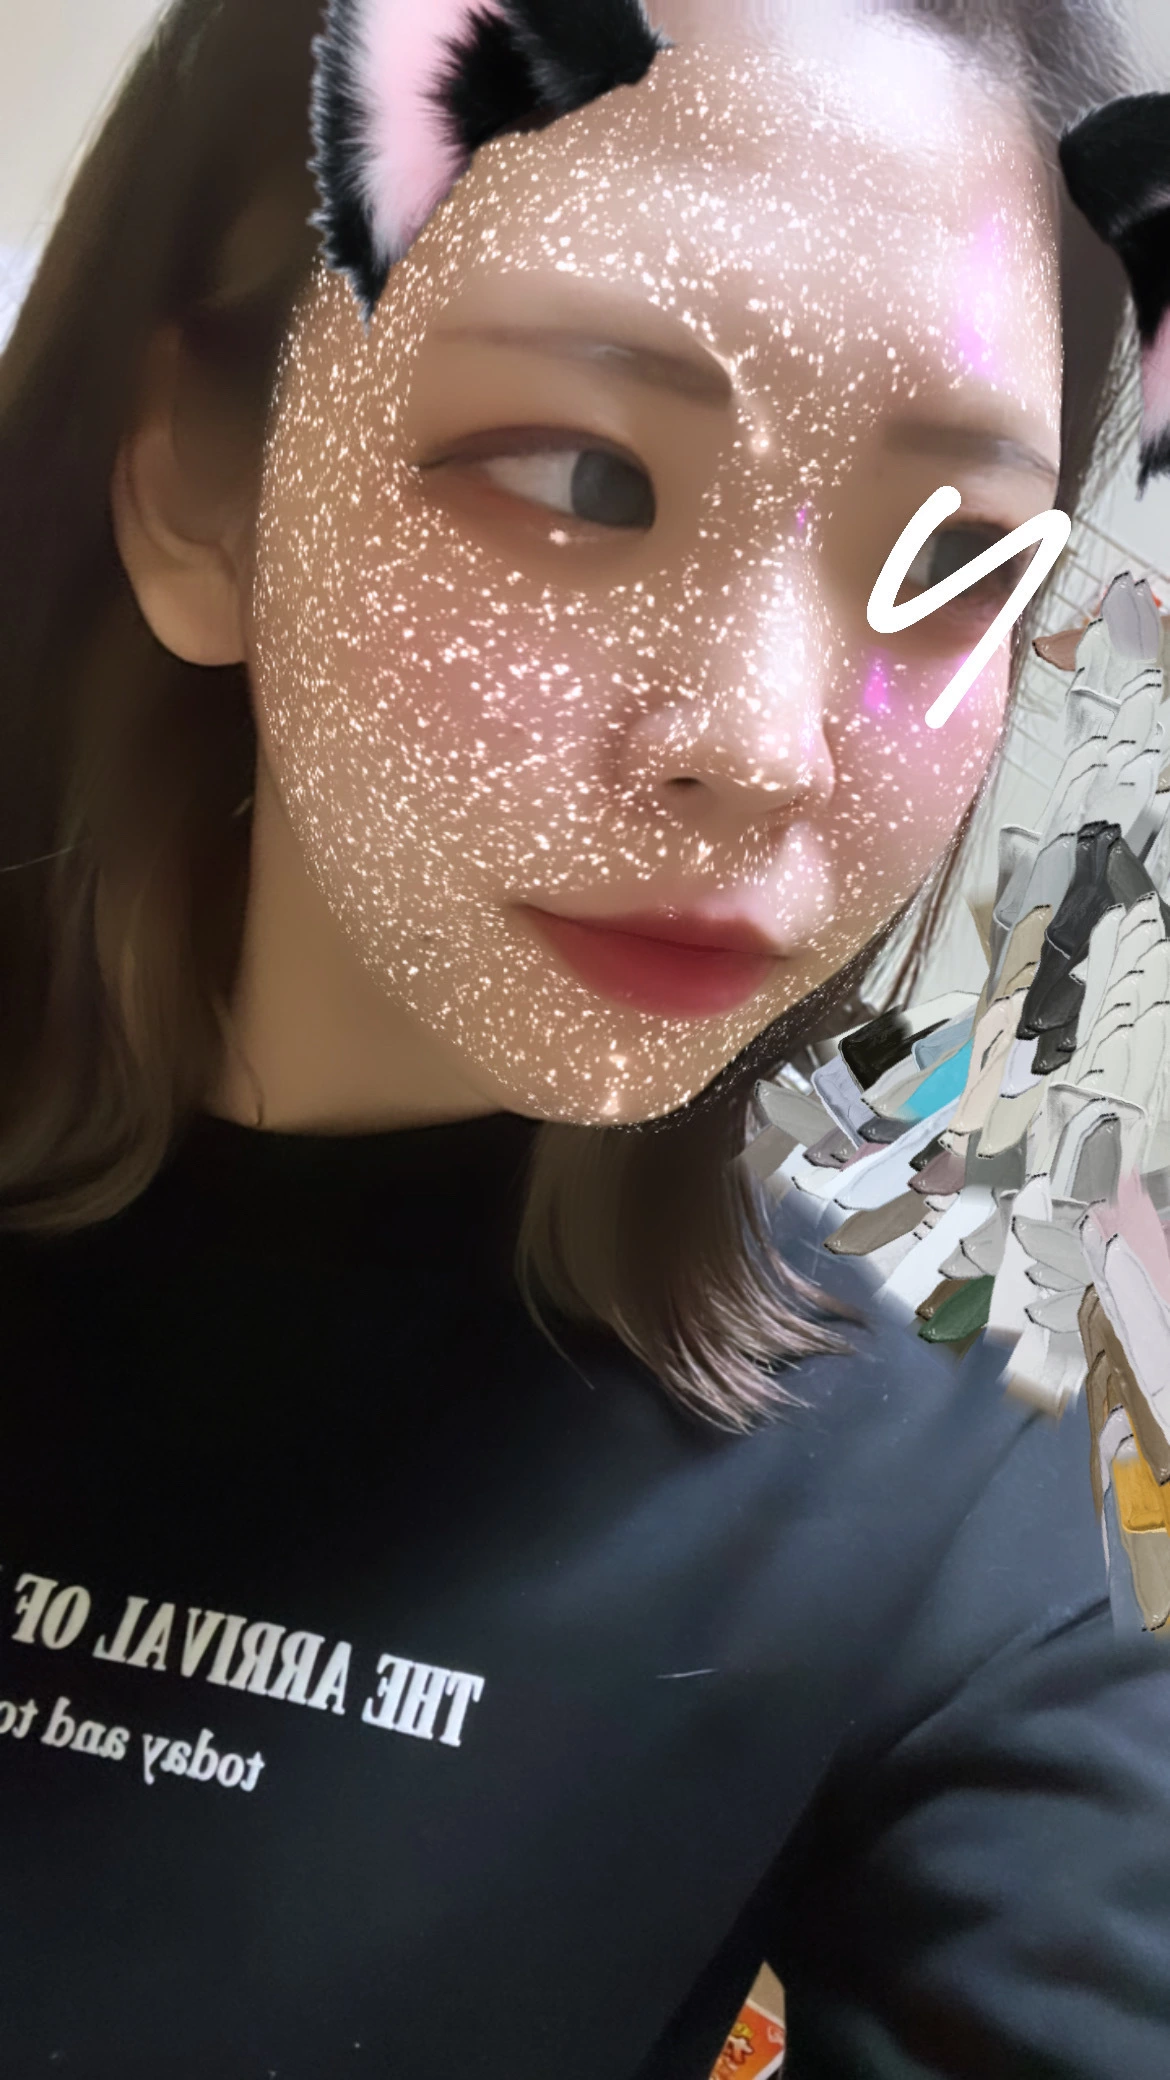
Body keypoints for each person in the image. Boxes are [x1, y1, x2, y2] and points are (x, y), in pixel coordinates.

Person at [0, 0, 1167, 2074]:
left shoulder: (1005, 1516)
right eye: (581, 473)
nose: (762, 746)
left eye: (953, 559)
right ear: (196, 486)